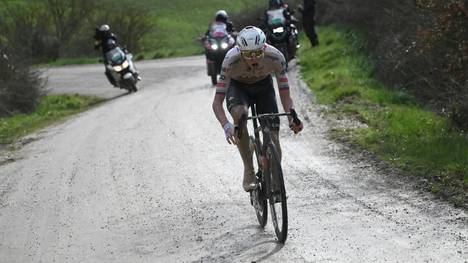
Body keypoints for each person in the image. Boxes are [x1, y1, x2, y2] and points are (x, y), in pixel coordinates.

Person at [212, 26, 303, 192]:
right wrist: (226, 125)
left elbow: (285, 94)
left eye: (258, 53)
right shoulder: (230, 61)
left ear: (264, 47)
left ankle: (275, 181)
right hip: (239, 88)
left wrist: (292, 117)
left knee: (273, 137)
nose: (254, 59)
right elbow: (217, 101)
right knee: (240, 116)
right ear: (240, 51)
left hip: (264, 88)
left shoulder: (276, 57)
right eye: (248, 54)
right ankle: (248, 169)